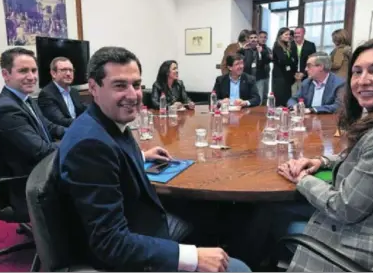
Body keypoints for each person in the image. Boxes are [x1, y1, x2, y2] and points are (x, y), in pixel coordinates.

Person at [56, 46, 251, 272]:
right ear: (93, 88)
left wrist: (141, 155)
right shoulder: (90, 147)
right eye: (120, 85)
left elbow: (111, 160)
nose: (133, 95)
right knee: (240, 267)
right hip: (129, 254)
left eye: (137, 85)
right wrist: (193, 257)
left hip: (142, 221)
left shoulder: (106, 122)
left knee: (222, 213)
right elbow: (109, 243)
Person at [277, 36, 373, 271]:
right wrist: (320, 160)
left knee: (267, 214)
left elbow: (343, 207)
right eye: (357, 72)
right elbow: (361, 156)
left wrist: (302, 179)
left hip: (356, 244)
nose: (363, 80)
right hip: (363, 219)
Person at [0, 47, 65, 207]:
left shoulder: (25, 99)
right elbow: (41, 151)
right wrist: (78, 143)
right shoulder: (7, 109)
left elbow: (50, 127)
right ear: (6, 74)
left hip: (41, 168)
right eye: (23, 71)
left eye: (34, 70)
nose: (31, 77)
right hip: (29, 180)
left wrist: (77, 132)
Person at [37, 57, 86, 127]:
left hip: (77, 128)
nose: (68, 73)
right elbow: (60, 121)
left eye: (71, 70)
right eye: (64, 70)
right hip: (61, 134)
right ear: (53, 73)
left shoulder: (74, 91)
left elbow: (82, 109)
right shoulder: (46, 94)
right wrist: (85, 122)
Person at [238, 30, 271, 105]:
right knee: (247, 99)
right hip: (248, 79)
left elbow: (268, 60)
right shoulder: (245, 50)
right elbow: (236, 58)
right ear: (248, 40)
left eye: (255, 37)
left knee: (259, 98)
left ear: (257, 39)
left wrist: (262, 52)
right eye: (251, 38)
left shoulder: (263, 48)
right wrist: (242, 49)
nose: (253, 39)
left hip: (259, 79)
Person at [272, 27, 298, 106]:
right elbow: (283, 60)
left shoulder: (290, 46)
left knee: (288, 96)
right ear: (280, 36)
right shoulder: (277, 45)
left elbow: (295, 60)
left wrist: (290, 61)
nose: (288, 36)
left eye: (289, 34)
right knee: (280, 97)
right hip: (280, 76)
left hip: (288, 76)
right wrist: (291, 61)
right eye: (286, 34)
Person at [291, 26, 317, 95]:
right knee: (293, 96)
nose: (296, 35)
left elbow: (313, 61)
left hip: (306, 76)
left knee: (305, 97)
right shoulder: (290, 45)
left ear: (304, 33)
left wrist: (304, 73)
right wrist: (294, 73)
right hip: (292, 76)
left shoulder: (311, 45)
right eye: (295, 33)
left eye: (298, 33)